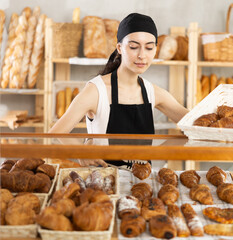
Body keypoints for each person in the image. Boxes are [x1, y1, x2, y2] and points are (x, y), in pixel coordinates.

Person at [49, 13, 189, 168]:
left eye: (149, 48)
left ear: (155, 49)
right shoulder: (97, 90)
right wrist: (81, 151)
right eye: (134, 47)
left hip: (141, 186)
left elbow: (195, 126)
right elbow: (57, 132)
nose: (142, 55)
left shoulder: (153, 92)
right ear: (120, 48)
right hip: (103, 186)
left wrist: (158, 153)